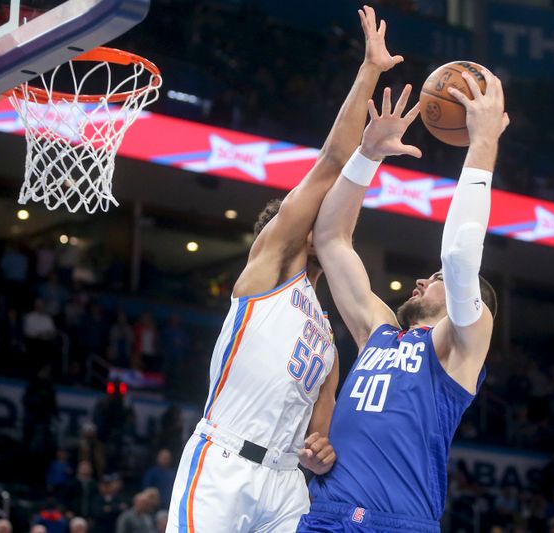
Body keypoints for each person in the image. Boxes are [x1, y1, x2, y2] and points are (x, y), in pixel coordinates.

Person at [166, 7, 402, 531]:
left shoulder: (325, 334)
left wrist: (320, 451)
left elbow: (320, 435)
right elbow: (331, 164)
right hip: (223, 463)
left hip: (286, 484)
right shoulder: (270, 270)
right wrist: (369, 71)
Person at [295, 66, 508, 532]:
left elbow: (457, 256)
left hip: (397, 523)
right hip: (323, 515)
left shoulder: (459, 348)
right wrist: (366, 155)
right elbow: (331, 239)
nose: (420, 282)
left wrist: (483, 141)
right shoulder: (380, 331)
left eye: (432, 280)